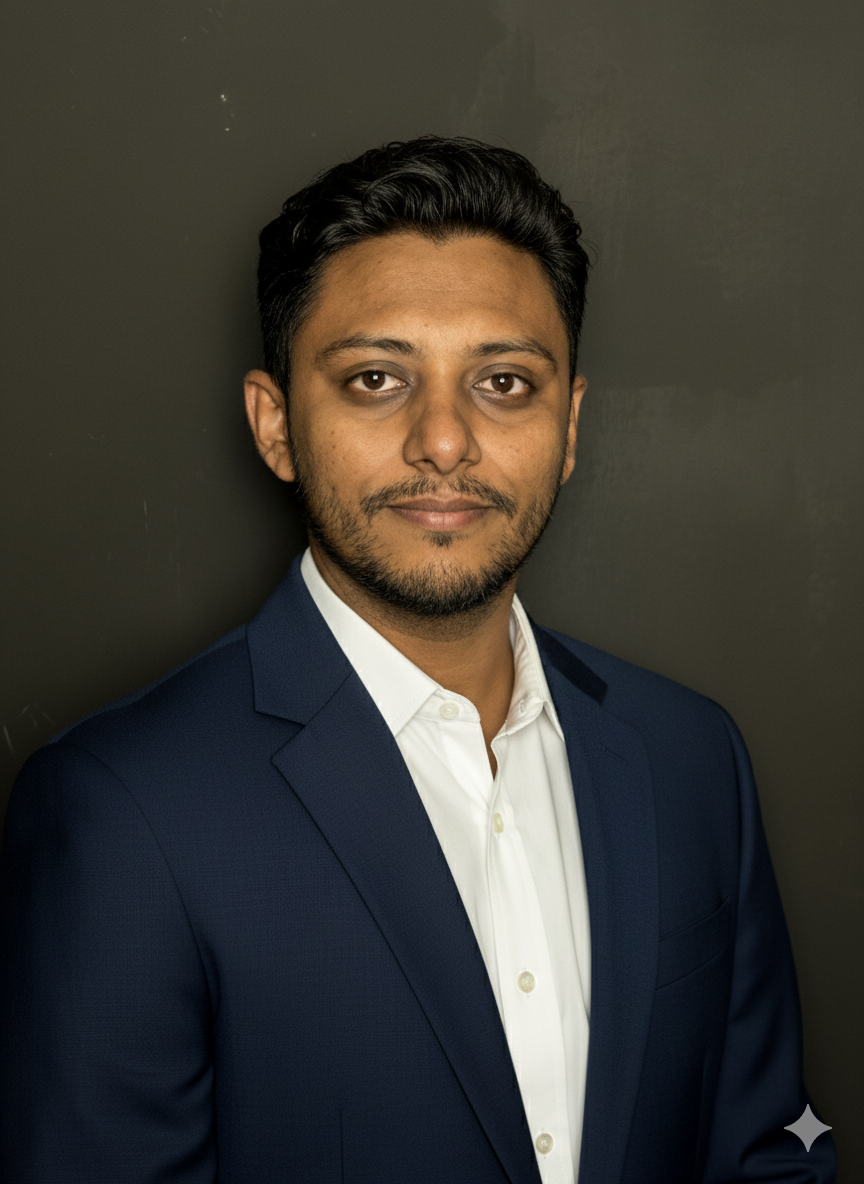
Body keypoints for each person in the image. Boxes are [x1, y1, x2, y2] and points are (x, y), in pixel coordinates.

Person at [0, 136, 835, 1184]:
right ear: (275, 425)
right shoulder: (122, 809)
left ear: (570, 426)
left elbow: (767, 1157)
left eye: (504, 381)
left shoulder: (692, 755)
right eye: (376, 378)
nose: (444, 439)